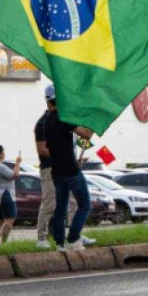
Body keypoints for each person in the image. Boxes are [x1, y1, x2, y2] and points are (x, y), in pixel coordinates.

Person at [42, 88, 97, 252]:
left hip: (57, 172)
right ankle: (73, 238)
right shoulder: (64, 117)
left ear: (47, 101)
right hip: (71, 171)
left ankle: (60, 243)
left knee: (60, 208)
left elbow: (56, 146)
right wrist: (94, 123)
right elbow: (85, 134)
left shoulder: (46, 121)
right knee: (85, 205)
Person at [34, 86, 79, 249]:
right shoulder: (42, 123)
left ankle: (75, 235)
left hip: (65, 166)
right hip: (49, 168)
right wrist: (60, 155)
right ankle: (41, 238)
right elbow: (42, 149)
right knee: (50, 204)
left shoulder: (64, 120)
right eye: (54, 102)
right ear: (48, 103)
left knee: (74, 201)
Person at [0, 144, 20, 245]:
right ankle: (3, 244)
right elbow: (15, 175)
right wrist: (17, 163)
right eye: (3, 152)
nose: (4, 154)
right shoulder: (0, 167)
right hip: (5, 194)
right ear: (0, 154)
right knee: (9, 220)